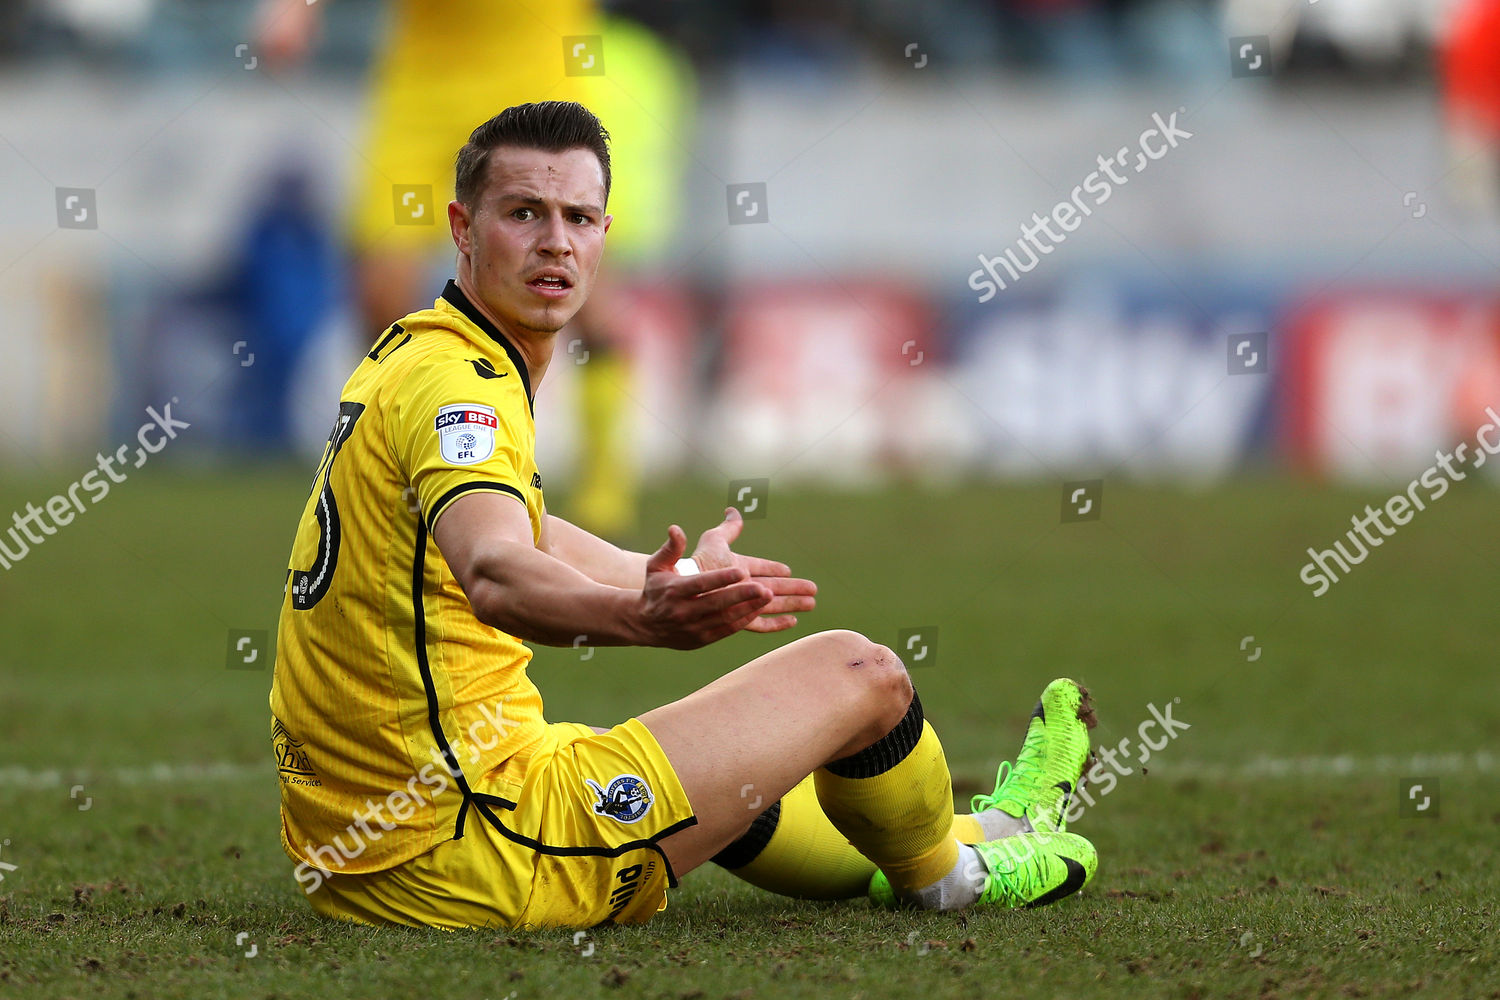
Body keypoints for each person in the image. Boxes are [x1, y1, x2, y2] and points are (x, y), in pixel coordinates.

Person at [270, 101, 1101, 929]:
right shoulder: (467, 392)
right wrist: (639, 616)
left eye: (579, 218)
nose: (555, 241)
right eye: (523, 214)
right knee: (863, 676)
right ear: (462, 226)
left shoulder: (414, 353)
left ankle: (985, 827)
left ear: (604, 236)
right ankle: (958, 875)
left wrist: (682, 579)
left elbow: (514, 526)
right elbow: (494, 569)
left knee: (738, 776)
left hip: (354, 853)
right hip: (474, 851)